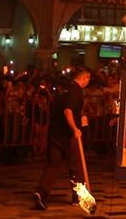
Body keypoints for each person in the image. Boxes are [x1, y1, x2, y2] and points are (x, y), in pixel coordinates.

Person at [34, 67, 91, 210]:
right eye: (88, 79)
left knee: (53, 164)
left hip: (55, 133)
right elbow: (68, 110)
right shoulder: (76, 91)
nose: (88, 82)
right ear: (84, 78)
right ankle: (79, 196)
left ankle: (41, 192)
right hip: (68, 135)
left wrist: (81, 118)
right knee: (76, 166)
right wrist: (75, 129)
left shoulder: (63, 88)